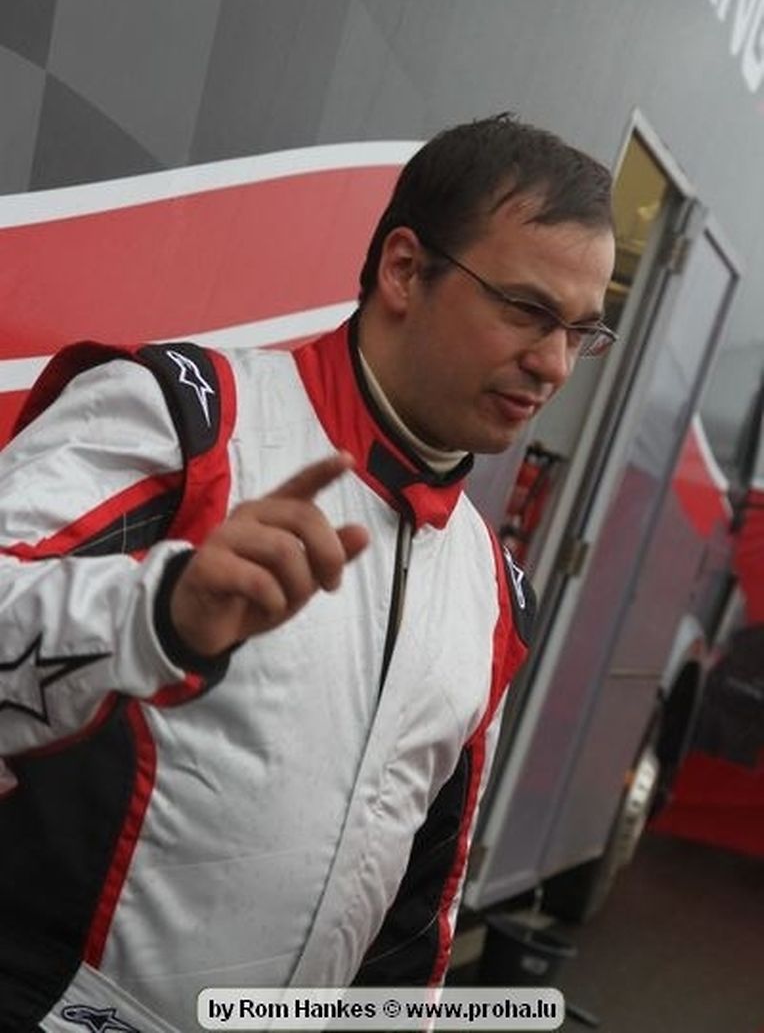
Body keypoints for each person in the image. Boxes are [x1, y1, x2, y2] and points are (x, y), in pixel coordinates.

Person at [0, 113, 616, 1032]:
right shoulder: (189, 419)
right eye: (526, 310)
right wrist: (158, 613)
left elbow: (421, 909)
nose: (554, 364)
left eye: (582, 330)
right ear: (404, 269)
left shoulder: (494, 590)